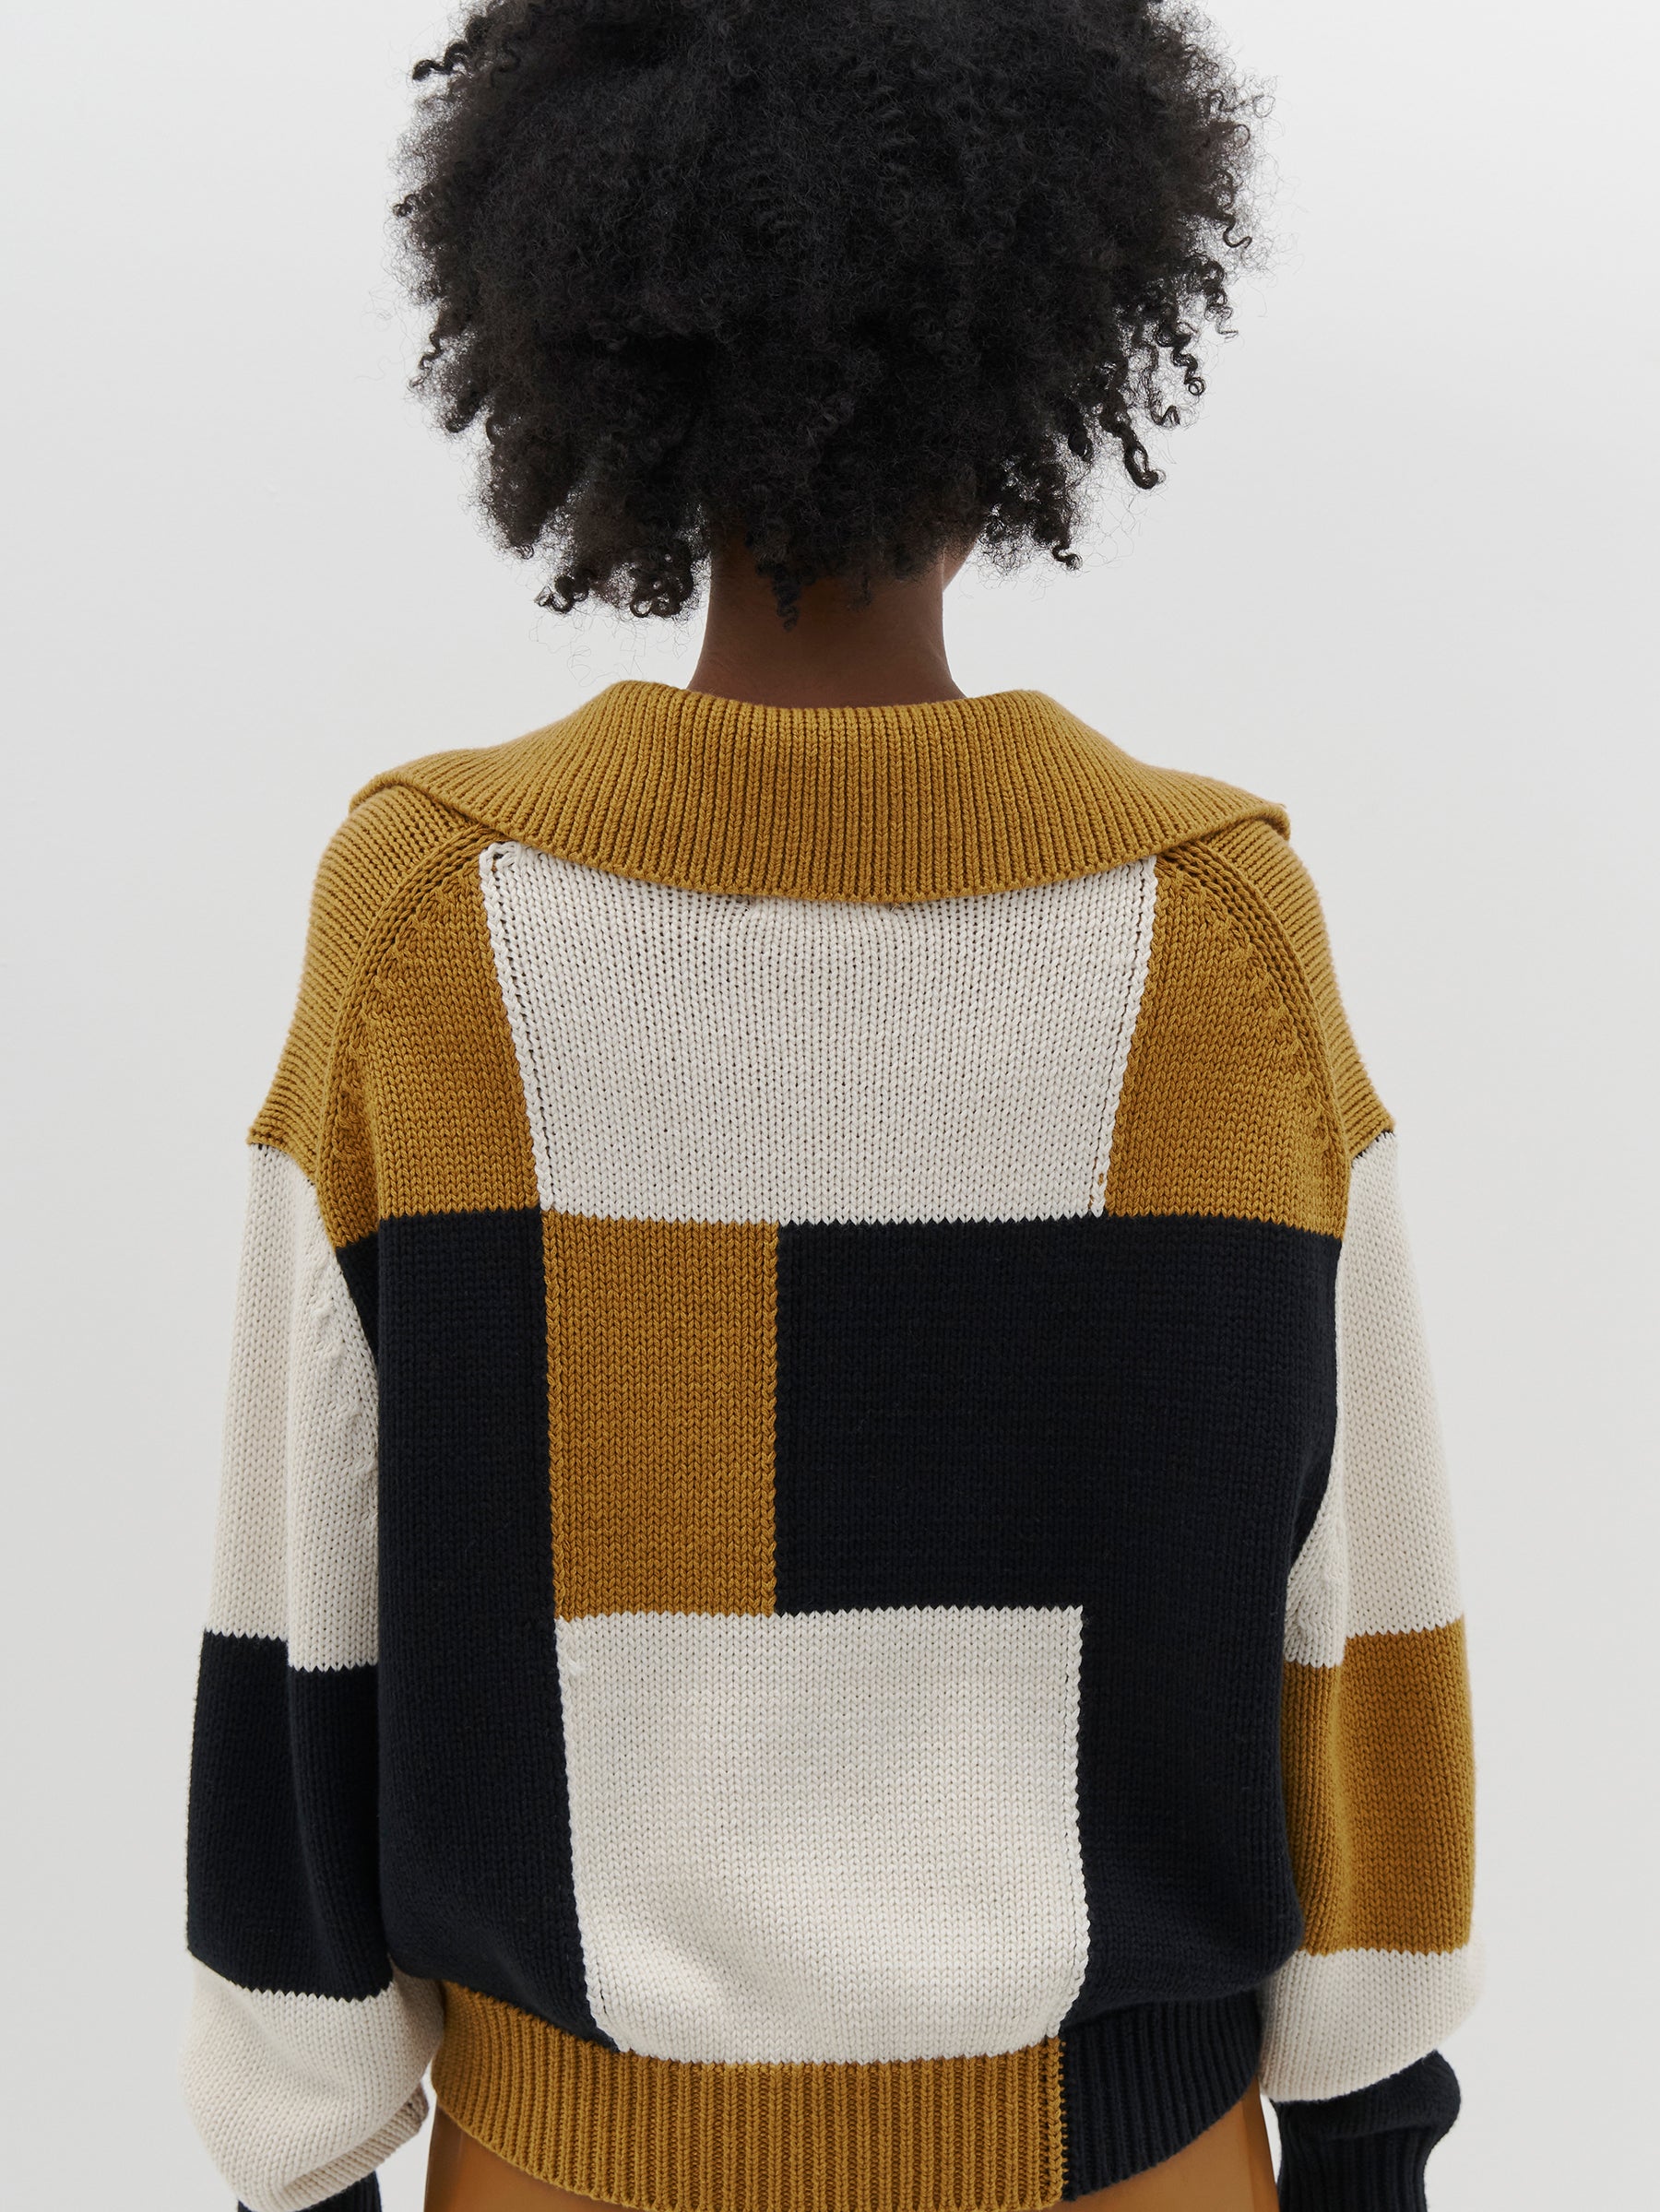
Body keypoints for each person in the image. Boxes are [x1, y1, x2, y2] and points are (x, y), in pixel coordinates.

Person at [178, 5, 1478, 2210]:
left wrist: (294, 2150)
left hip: (571, 2172)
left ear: (609, 362)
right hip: (1123, 2170)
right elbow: (1359, 1612)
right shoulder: (1215, 931)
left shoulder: (430, 918)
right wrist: (1370, 2136)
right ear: (1040, 357)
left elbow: (301, 1603)